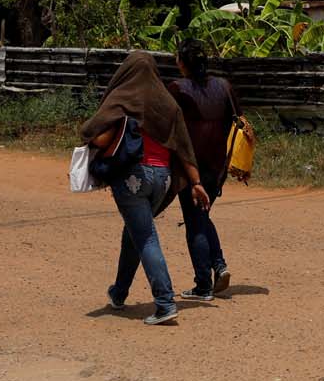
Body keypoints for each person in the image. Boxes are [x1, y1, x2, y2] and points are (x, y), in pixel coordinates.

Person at [81, 51, 211, 324]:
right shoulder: (168, 104)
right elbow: (184, 148)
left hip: (133, 179)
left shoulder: (123, 98)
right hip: (162, 180)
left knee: (146, 237)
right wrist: (196, 183)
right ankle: (119, 293)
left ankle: (165, 303)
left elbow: (97, 136)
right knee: (135, 233)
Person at [168, 38, 243, 302]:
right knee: (201, 215)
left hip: (191, 167)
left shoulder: (177, 88)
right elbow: (240, 122)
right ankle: (218, 266)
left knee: (195, 222)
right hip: (218, 164)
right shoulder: (224, 86)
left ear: (181, 62)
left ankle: (204, 284)